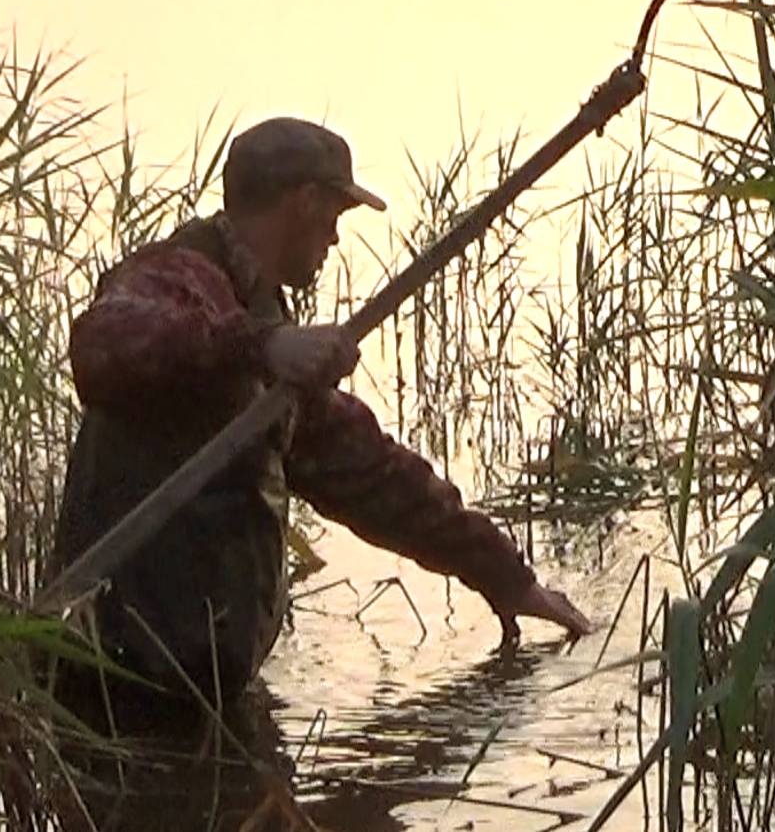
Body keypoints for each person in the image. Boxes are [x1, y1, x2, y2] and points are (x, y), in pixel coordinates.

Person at [49, 116, 590, 717]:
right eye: (335, 215)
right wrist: (262, 346)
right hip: (119, 689)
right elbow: (105, 341)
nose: (334, 239)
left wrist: (504, 576)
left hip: (195, 690)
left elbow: (367, 472)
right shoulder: (179, 274)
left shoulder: (251, 316)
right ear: (305, 202)